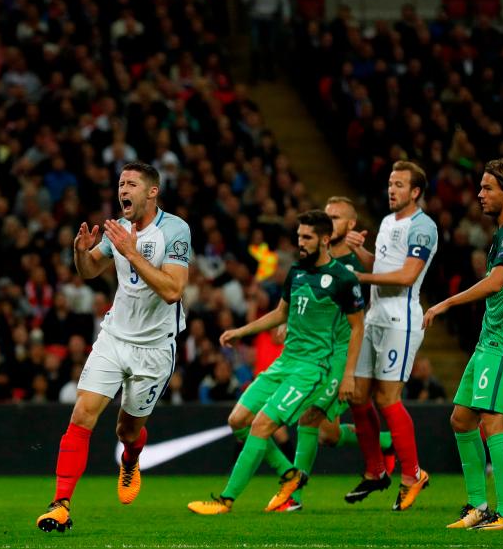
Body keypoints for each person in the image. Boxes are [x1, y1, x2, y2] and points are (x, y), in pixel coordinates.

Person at [36, 162, 191, 533]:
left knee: (127, 430)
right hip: (114, 337)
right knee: (82, 415)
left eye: (132, 183)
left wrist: (132, 253)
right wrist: (80, 253)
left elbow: (173, 291)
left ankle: (132, 458)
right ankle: (60, 505)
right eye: (121, 183)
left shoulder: (175, 229)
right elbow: (89, 271)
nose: (123, 189)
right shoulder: (118, 229)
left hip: (154, 348)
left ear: (152, 191)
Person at [188, 210, 364, 515]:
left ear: (324, 239)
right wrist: (242, 330)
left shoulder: (343, 278)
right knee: (237, 421)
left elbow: (357, 327)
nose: (301, 243)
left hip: (312, 369)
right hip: (285, 362)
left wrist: (348, 375)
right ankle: (290, 474)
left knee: (261, 425)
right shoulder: (296, 272)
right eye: (299, 237)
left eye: (307, 237)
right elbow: (281, 313)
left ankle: (226, 500)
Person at [423, 158, 503, 530]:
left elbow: (495, 283)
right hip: (489, 340)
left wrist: (445, 302)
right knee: (461, 419)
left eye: (488, 187)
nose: (479, 194)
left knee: (493, 420)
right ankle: (477, 506)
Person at [271, 197, 395, 513]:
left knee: (309, 419)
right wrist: (290, 324)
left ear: (351, 225)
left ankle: (293, 496)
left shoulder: (353, 264)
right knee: (327, 434)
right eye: (327, 216)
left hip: (342, 357)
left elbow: (387, 276)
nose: (329, 221)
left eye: (336, 217)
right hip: (318, 355)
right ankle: (385, 442)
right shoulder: (313, 264)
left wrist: (363, 252)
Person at [343, 161, 438, 511]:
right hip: (375, 318)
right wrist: (360, 254)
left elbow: (407, 277)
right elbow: (381, 268)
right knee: (357, 395)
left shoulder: (423, 227)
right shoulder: (386, 222)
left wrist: (358, 278)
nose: (391, 190)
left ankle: (413, 475)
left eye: (399, 184)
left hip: (402, 320)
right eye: (389, 183)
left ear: (415, 192)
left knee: (387, 399)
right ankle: (375, 470)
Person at [240, 0, 290, 82]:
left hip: (271, 18)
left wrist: (286, 14)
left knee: (270, 46)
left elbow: (284, 0)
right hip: (256, 17)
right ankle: (254, 75)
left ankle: (270, 73)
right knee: (255, 46)